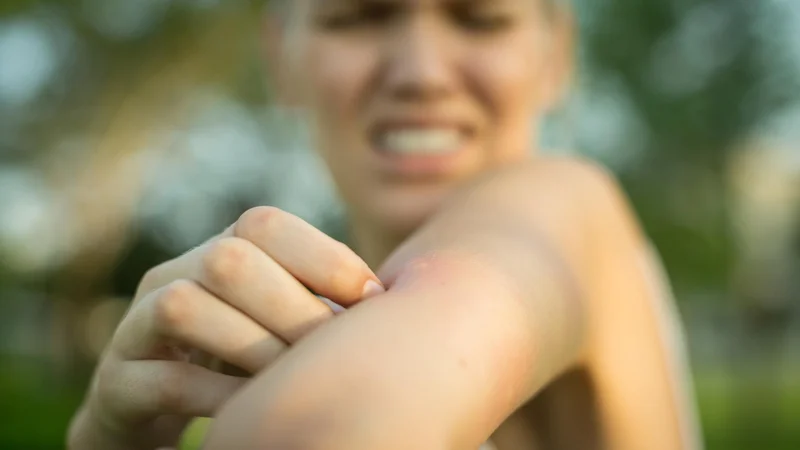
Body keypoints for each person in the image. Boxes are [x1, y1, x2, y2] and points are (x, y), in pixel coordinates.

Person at [67, 0, 703, 448]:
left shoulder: (571, 209)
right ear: (281, 59)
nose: (421, 73)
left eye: (480, 17)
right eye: (358, 16)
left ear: (555, 56)